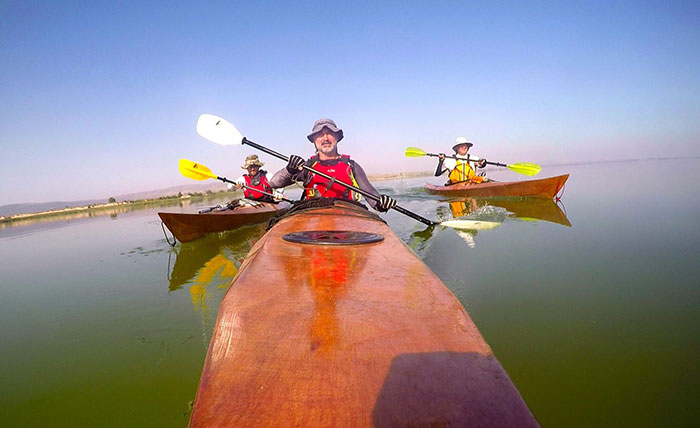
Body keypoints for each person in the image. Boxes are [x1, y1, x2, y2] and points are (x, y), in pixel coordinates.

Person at [269, 118, 396, 212]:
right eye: (320, 134)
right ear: (314, 140)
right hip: (313, 219)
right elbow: (274, 183)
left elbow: (372, 198)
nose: (325, 138)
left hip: (348, 216)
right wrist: (289, 170)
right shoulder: (307, 166)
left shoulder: (352, 167)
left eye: (330, 133)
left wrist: (381, 203)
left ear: (337, 137)